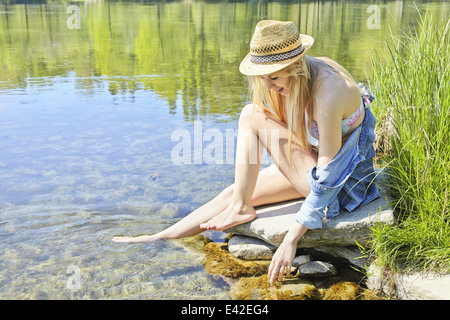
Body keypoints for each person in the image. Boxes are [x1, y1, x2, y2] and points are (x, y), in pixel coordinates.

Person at [112, 20, 379, 285]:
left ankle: (241, 208)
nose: (269, 86)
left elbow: (328, 178)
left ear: (296, 65)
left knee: (251, 115)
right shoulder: (308, 71)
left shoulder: (329, 92)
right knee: (232, 192)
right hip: (320, 168)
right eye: (263, 77)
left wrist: (291, 239)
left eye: (273, 77)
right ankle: (160, 237)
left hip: (344, 187)